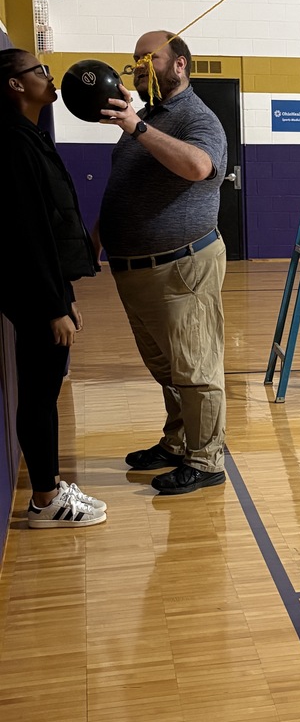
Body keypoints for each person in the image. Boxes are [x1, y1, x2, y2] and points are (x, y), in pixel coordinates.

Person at [96, 30, 228, 496]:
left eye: (147, 59)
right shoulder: (147, 117)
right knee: (167, 368)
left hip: (182, 267)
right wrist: (99, 235)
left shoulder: (198, 117)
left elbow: (198, 167)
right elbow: (125, 188)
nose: (137, 67)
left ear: (179, 65)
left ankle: (207, 459)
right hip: (135, 269)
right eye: (134, 60)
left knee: (195, 368)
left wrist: (137, 127)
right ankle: (177, 444)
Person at [0, 48, 106, 527]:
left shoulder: (29, 136)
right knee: (41, 397)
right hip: (33, 297)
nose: (48, 75)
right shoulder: (13, 143)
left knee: (46, 392)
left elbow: (49, 226)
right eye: (38, 71)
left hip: (46, 293)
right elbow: (26, 234)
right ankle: (45, 501)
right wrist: (52, 305)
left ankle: (49, 486)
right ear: (15, 85)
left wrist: (66, 294)